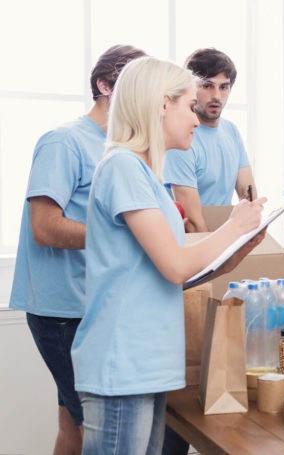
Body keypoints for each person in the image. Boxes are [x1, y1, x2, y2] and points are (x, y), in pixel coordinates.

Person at [70, 56, 266, 454]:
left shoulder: (148, 177)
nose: (197, 119)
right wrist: (233, 226)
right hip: (124, 363)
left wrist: (232, 253)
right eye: (189, 106)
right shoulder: (123, 167)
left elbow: (166, 272)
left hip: (147, 365)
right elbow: (175, 265)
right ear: (162, 104)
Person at [9, 44, 146, 455]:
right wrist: (119, 234)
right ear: (104, 85)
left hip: (92, 306)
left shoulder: (121, 150)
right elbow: (45, 228)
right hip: (62, 312)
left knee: (72, 422)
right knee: (97, 428)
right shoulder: (64, 142)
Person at [163, 48, 255, 232]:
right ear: (189, 89)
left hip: (224, 237)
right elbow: (193, 224)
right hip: (189, 245)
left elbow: (249, 197)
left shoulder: (231, 131)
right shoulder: (179, 140)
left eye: (224, 87)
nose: (216, 96)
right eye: (207, 86)